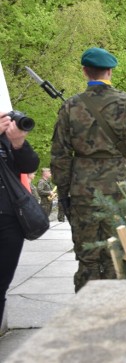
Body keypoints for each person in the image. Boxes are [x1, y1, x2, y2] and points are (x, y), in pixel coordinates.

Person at [50, 47, 126, 292]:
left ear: (85, 71)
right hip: (121, 189)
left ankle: (86, 312)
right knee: (121, 251)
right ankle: (116, 310)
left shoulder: (70, 107)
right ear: (110, 72)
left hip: (84, 192)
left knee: (88, 256)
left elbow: (60, 156)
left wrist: (64, 194)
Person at [1, 111, 40, 322]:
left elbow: (30, 165)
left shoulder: (5, 138)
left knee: (1, 287)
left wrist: (18, 143)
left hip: (9, 220)